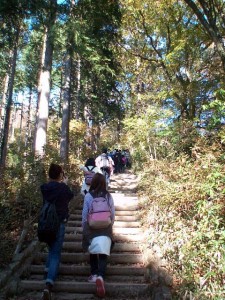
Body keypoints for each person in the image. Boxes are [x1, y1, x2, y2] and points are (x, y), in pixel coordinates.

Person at [41, 163, 74, 300]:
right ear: (60, 174)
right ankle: (49, 284)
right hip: (59, 223)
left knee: (50, 248)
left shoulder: (44, 188)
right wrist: (64, 184)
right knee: (55, 252)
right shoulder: (63, 188)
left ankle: (47, 271)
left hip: (45, 223)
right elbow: (70, 196)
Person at [82, 173, 115, 298]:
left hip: (92, 228)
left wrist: (85, 229)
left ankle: (94, 274)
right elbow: (112, 213)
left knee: (93, 251)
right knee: (103, 253)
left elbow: (85, 215)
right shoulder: (108, 196)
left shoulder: (88, 196)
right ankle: (101, 276)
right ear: (104, 183)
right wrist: (109, 225)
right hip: (105, 228)